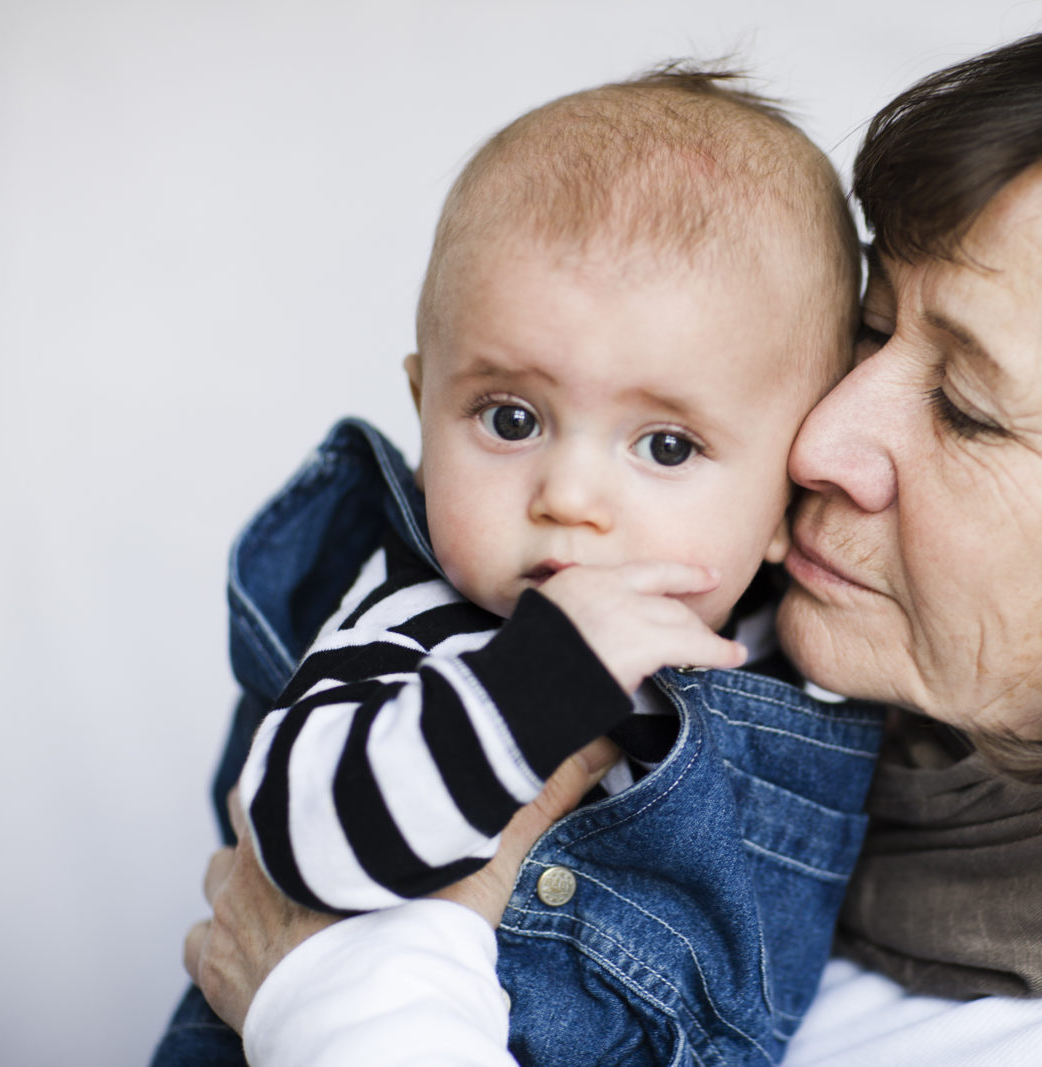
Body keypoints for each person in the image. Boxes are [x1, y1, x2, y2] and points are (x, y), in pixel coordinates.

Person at [182, 14, 1042, 1065]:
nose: (820, 440)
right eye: (867, 331)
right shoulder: (776, 795)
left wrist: (332, 992)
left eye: (965, 406)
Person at [154, 67, 889, 1066]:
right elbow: (299, 837)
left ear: (784, 495)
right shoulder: (420, 626)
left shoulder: (791, 664)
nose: (569, 496)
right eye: (511, 419)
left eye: (666, 445)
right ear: (423, 412)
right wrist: (539, 684)